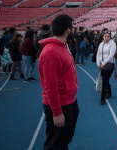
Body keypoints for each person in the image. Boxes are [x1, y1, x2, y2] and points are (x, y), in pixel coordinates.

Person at [38, 14, 79, 150]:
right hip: (60, 105)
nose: (74, 30)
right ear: (68, 30)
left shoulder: (62, 47)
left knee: (63, 142)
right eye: (73, 28)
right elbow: (51, 86)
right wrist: (57, 112)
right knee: (55, 145)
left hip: (69, 101)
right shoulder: (52, 52)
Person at [97, 32, 116, 105]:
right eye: (105, 36)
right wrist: (98, 63)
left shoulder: (112, 44)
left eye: (108, 36)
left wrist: (103, 63)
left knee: (104, 81)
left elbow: (111, 55)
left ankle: (102, 98)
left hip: (109, 65)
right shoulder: (101, 44)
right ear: (103, 37)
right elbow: (98, 54)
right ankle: (110, 93)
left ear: (110, 37)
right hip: (102, 65)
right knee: (105, 79)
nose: (106, 38)